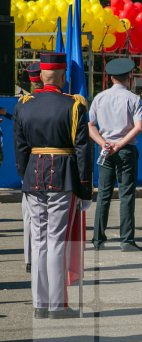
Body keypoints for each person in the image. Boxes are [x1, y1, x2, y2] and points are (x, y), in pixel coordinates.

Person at [13, 52, 93, 319]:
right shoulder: (74, 105)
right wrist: (85, 189)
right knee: (56, 240)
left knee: (38, 240)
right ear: (61, 76)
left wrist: (26, 177)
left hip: (33, 177)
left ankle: (40, 303)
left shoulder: (24, 105)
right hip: (62, 177)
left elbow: (21, 149)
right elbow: (83, 151)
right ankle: (57, 305)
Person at [89, 58, 142, 252]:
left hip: (105, 149)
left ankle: (98, 239)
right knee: (126, 195)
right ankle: (126, 240)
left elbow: (90, 126)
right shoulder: (133, 98)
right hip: (126, 149)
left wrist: (103, 143)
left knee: (103, 194)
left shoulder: (99, 98)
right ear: (128, 76)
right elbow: (139, 127)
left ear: (111, 77)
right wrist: (120, 144)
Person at [22, 62, 43, 273]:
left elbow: (20, 145)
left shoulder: (24, 103)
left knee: (30, 217)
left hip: (30, 165)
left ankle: (30, 258)